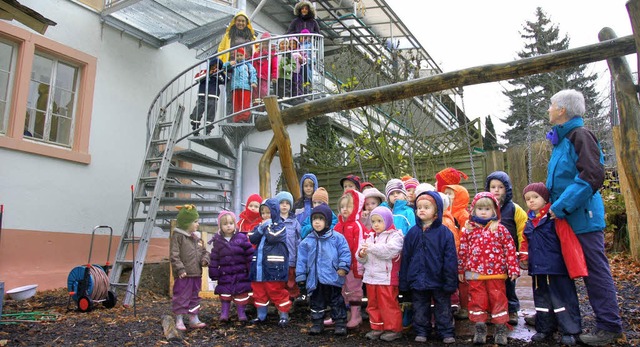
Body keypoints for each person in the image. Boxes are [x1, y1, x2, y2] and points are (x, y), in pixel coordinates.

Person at [545, 89, 622, 345]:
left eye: (551, 105)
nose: (549, 109)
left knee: (595, 272)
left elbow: (591, 175)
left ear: (562, 110)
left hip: (583, 218)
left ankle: (609, 326)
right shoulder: (561, 140)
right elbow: (561, 179)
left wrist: (561, 205)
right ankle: (563, 321)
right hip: (566, 217)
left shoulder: (580, 135)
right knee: (563, 271)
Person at [519, 183, 581, 345]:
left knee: (562, 299)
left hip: (557, 268)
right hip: (538, 269)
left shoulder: (554, 217)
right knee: (542, 301)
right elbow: (525, 241)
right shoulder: (529, 221)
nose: (531, 201)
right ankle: (545, 328)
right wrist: (524, 257)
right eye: (527, 199)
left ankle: (569, 330)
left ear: (545, 199)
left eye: (535, 197)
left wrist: (573, 264)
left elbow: (567, 240)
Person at [458, 192, 519, 345]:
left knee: (498, 299)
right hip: (475, 274)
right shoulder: (468, 230)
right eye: (480, 209)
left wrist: (512, 268)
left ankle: (500, 328)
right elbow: (463, 251)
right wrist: (460, 270)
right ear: (473, 210)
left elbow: (510, 249)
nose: (483, 212)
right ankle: (480, 327)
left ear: (494, 211)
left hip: (496, 274)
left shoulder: (499, 229)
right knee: (477, 301)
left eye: (487, 209)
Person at [400, 191, 457, 344]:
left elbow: (450, 258)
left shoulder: (445, 233)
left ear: (436, 210)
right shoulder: (413, 233)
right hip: (418, 278)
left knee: (443, 306)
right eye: (419, 207)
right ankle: (422, 330)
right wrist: (404, 282)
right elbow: (406, 258)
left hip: (439, 279)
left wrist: (450, 280)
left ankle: (445, 331)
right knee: (420, 307)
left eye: (426, 207)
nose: (422, 210)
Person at [296, 204, 351, 336]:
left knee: (336, 300)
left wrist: (343, 266)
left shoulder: (337, 238)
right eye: (314, 219)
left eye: (321, 219)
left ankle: (340, 323)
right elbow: (301, 260)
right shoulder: (307, 241)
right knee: (316, 302)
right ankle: (317, 323)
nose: (317, 222)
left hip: (332, 277)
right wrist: (301, 277)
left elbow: (345, 252)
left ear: (327, 221)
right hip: (315, 278)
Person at [485, 171, 527, 325]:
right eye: (493, 187)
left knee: (509, 283)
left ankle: (512, 310)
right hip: (488, 254)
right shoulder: (484, 208)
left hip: (509, 254)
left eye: (500, 187)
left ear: (507, 189)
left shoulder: (514, 209)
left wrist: (523, 254)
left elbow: (523, 230)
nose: (496, 190)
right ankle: (494, 310)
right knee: (492, 284)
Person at [357, 206, 404, 342]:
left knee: (388, 304)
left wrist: (370, 248)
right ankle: (377, 327)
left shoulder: (395, 235)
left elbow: (389, 251)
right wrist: (362, 254)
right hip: (371, 278)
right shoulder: (369, 236)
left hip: (386, 278)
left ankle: (393, 329)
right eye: (373, 221)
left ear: (388, 221)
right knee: (373, 304)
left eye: (379, 221)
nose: (376, 225)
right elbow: (360, 256)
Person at [248, 198, 292, 326]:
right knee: (259, 292)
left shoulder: (280, 226)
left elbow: (273, 237)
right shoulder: (260, 227)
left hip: (274, 267)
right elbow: (252, 238)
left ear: (275, 212)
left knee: (276, 291)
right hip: (259, 267)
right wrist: (261, 228)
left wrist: (266, 226)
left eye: (268, 212)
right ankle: (261, 316)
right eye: (263, 213)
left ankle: (283, 314)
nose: (266, 216)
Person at [208, 211, 254, 322]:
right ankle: (224, 313)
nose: (228, 226)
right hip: (225, 273)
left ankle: (241, 313)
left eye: (231, 223)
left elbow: (249, 254)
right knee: (225, 294)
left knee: (241, 294)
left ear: (235, 224)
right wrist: (213, 272)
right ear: (220, 226)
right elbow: (214, 259)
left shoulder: (241, 238)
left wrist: (251, 269)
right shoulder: (218, 241)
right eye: (225, 224)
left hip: (241, 273)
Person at [170, 204, 210, 330]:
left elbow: (205, 252)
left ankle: (194, 318)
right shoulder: (178, 236)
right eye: (195, 221)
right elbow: (174, 255)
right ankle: (179, 319)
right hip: (184, 275)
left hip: (196, 273)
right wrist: (180, 269)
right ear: (187, 223)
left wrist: (205, 260)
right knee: (181, 295)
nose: (198, 224)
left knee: (194, 296)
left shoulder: (196, 238)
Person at [333, 188, 366, 328]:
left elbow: (360, 246)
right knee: (341, 289)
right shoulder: (338, 226)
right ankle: (341, 315)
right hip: (339, 266)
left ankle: (355, 315)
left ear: (356, 207)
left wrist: (357, 266)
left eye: (348, 206)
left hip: (353, 266)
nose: (344, 209)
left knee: (353, 289)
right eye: (342, 206)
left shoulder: (357, 226)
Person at [442, 184, 471, 319]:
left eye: (451, 194)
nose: (448, 196)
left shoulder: (463, 215)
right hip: (452, 251)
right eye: (445, 194)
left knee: (463, 282)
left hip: (462, 252)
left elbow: (465, 234)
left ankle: (466, 307)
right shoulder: (448, 213)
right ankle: (457, 303)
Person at [274, 191, 302, 306]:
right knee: (279, 283)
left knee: (291, 282)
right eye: (281, 203)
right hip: (277, 259)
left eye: (287, 203)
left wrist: (298, 258)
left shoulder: (295, 222)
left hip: (291, 258)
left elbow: (299, 241)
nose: (284, 205)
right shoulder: (274, 221)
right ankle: (280, 304)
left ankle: (290, 303)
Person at [190, 57, 225, 136]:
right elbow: (197, 78)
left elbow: (224, 81)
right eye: (213, 66)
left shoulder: (219, 74)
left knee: (210, 115)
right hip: (202, 96)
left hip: (213, 97)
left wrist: (218, 73)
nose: (215, 68)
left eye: (217, 66)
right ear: (210, 65)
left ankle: (207, 131)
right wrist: (208, 74)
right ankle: (195, 130)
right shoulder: (204, 72)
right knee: (197, 113)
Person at [223, 48, 258, 123]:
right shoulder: (233, 65)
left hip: (245, 87)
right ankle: (237, 119)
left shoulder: (247, 65)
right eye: (237, 55)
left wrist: (253, 82)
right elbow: (223, 67)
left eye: (241, 55)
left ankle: (244, 118)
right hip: (235, 88)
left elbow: (253, 73)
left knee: (245, 104)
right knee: (236, 105)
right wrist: (229, 63)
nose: (239, 57)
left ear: (244, 55)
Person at [251, 32, 278, 105]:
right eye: (263, 43)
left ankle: (263, 108)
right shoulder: (257, 53)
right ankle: (256, 107)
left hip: (265, 76)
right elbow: (253, 63)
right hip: (256, 76)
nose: (265, 45)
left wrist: (274, 76)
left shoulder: (272, 54)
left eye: (267, 43)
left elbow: (274, 66)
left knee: (263, 92)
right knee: (255, 92)